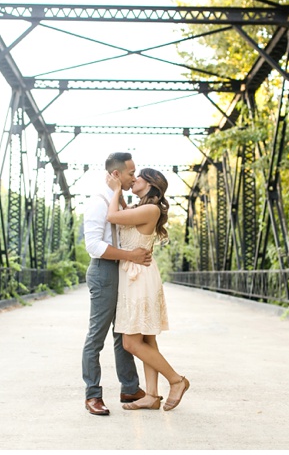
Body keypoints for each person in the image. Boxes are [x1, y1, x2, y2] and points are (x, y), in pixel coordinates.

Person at [105, 167, 190, 411]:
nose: (134, 178)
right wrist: (120, 194)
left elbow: (112, 217)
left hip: (138, 279)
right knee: (147, 339)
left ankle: (176, 380)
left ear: (150, 183)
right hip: (136, 275)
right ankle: (152, 395)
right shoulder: (140, 208)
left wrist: (116, 189)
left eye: (138, 176)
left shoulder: (150, 209)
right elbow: (123, 212)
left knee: (131, 343)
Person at [82, 152, 153, 416]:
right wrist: (131, 256)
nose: (134, 177)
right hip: (104, 272)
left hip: (122, 271)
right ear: (116, 175)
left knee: (123, 332)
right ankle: (92, 395)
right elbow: (93, 245)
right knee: (96, 336)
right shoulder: (99, 202)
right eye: (131, 173)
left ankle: (130, 388)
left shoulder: (118, 201)